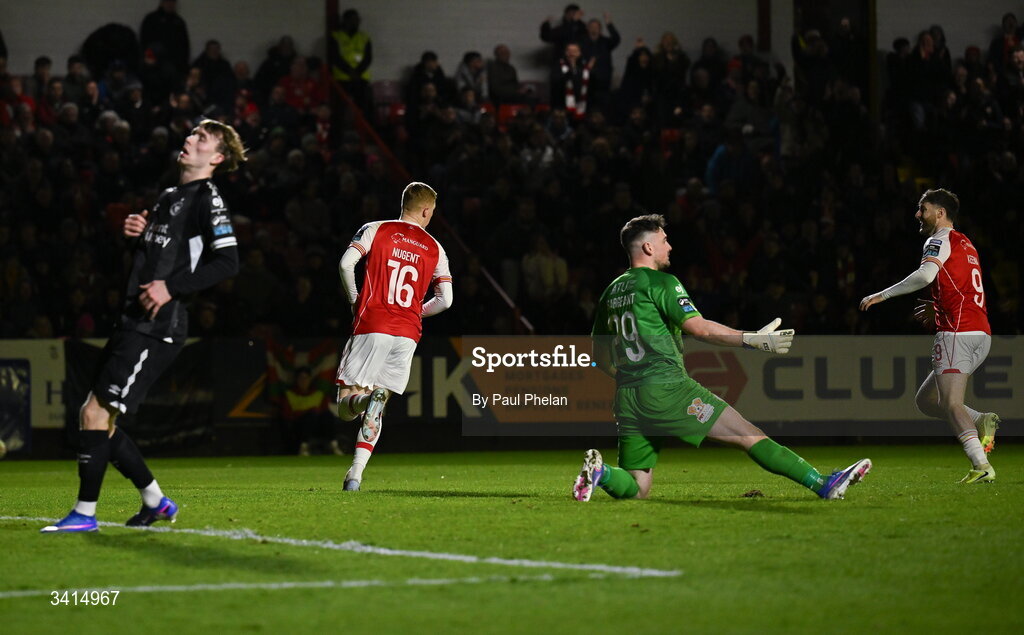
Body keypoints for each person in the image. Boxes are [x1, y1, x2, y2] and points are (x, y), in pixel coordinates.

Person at [573, 213, 871, 502]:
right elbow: (699, 329)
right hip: (666, 388)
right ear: (649, 247)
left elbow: (597, 354)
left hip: (627, 396)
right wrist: (752, 340)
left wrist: (626, 377)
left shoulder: (610, 293)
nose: (670, 246)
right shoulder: (661, 283)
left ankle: (602, 472)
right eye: (664, 240)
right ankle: (822, 484)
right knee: (748, 435)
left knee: (638, 486)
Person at [41, 119, 247, 532]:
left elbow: (228, 260)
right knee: (97, 416)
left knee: (95, 414)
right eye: (190, 134)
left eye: (201, 138)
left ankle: (84, 514)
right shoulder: (171, 194)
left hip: (157, 326)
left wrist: (170, 288)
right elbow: (164, 251)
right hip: (134, 319)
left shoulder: (208, 198)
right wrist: (139, 232)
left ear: (217, 157)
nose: (189, 139)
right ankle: (155, 502)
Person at [859, 189, 1000, 483]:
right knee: (927, 400)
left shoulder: (938, 239)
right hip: (981, 332)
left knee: (950, 403)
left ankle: (981, 464)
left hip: (957, 333)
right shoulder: (967, 243)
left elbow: (925, 276)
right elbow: (961, 286)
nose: (917, 215)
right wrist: (938, 305)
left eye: (922, 209)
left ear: (940, 213)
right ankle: (980, 420)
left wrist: (881, 295)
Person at [335, 182, 453, 491]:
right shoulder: (436, 248)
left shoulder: (376, 229)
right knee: (381, 400)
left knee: (346, 406)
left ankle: (364, 402)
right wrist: (414, 310)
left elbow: (346, 264)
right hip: (407, 334)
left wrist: (354, 300)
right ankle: (355, 475)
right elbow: (446, 300)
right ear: (427, 210)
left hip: (373, 322)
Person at [330, 8, 373, 115]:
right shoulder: (336, 36)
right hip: (342, 78)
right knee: (340, 109)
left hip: (361, 78)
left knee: (363, 108)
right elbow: (335, 57)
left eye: (358, 20)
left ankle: (362, 130)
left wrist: (357, 72)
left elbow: (368, 58)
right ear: (345, 20)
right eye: (353, 19)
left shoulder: (364, 37)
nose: (356, 22)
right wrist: (349, 71)